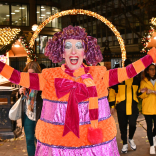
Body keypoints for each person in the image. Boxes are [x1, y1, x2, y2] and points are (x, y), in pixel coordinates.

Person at [0, 25, 156, 156]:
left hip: (95, 148)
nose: (73, 51)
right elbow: (18, 77)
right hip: (57, 149)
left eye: (78, 46)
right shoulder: (50, 77)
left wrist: (151, 57)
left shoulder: (99, 75)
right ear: (62, 52)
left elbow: (128, 71)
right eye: (68, 46)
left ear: (85, 52)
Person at [108, 58, 141, 154]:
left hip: (133, 106)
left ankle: (130, 138)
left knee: (133, 125)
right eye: (127, 67)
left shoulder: (136, 79)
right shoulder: (118, 79)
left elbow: (138, 92)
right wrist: (112, 106)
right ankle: (125, 144)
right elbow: (112, 92)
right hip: (121, 106)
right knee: (122, 126)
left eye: (130, 67)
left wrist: (142, 92)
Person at [19, 61, 42, 156]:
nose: (30, 75)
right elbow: (24, 100)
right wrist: (20, 92)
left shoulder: (42, 84)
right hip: (28, 115)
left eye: (32, 73)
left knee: (40, 141)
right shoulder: (25, 83)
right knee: (29, 140)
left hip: (39, 116)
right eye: (28, 73)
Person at [140, 63, 156, 154]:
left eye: (154, 69)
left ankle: (154, 137)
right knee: (149, 127)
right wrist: (146, 93)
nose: (153, 71)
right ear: (147, 71)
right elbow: (141, 96)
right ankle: (151, 146)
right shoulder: (143, 81)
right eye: (151, 69)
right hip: (148, 108)